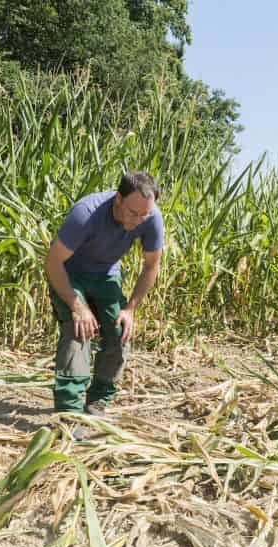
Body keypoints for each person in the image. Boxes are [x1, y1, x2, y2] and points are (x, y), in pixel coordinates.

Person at [44, 171, 164, 415]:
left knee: (119, 330)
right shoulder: (86, 214)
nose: (139, 220)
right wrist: (78, 307)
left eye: (145, 214)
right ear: (118, 199)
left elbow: (152, 265)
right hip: (70, 273)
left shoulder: (150, 217)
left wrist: (130, 309)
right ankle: (69, 412)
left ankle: (98, 400)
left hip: (106, 276)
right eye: (133, 213)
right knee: (79, 331)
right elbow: (53, 262)